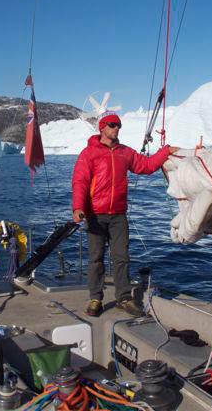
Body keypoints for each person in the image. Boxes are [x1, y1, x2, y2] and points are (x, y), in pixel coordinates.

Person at [71, 112, 179, 317]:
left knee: (122, 257)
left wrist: (165, 152)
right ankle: (95, 298)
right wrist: (78, 207)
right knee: (96, 259)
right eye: (112, 125)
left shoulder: (125, 153)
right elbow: (80, 182)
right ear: (102, 127)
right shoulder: (89, 153)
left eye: (119, 125)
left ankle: (123, 297)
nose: (116, 128)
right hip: (95, 214)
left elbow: (146, 166)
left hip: (118, 215)